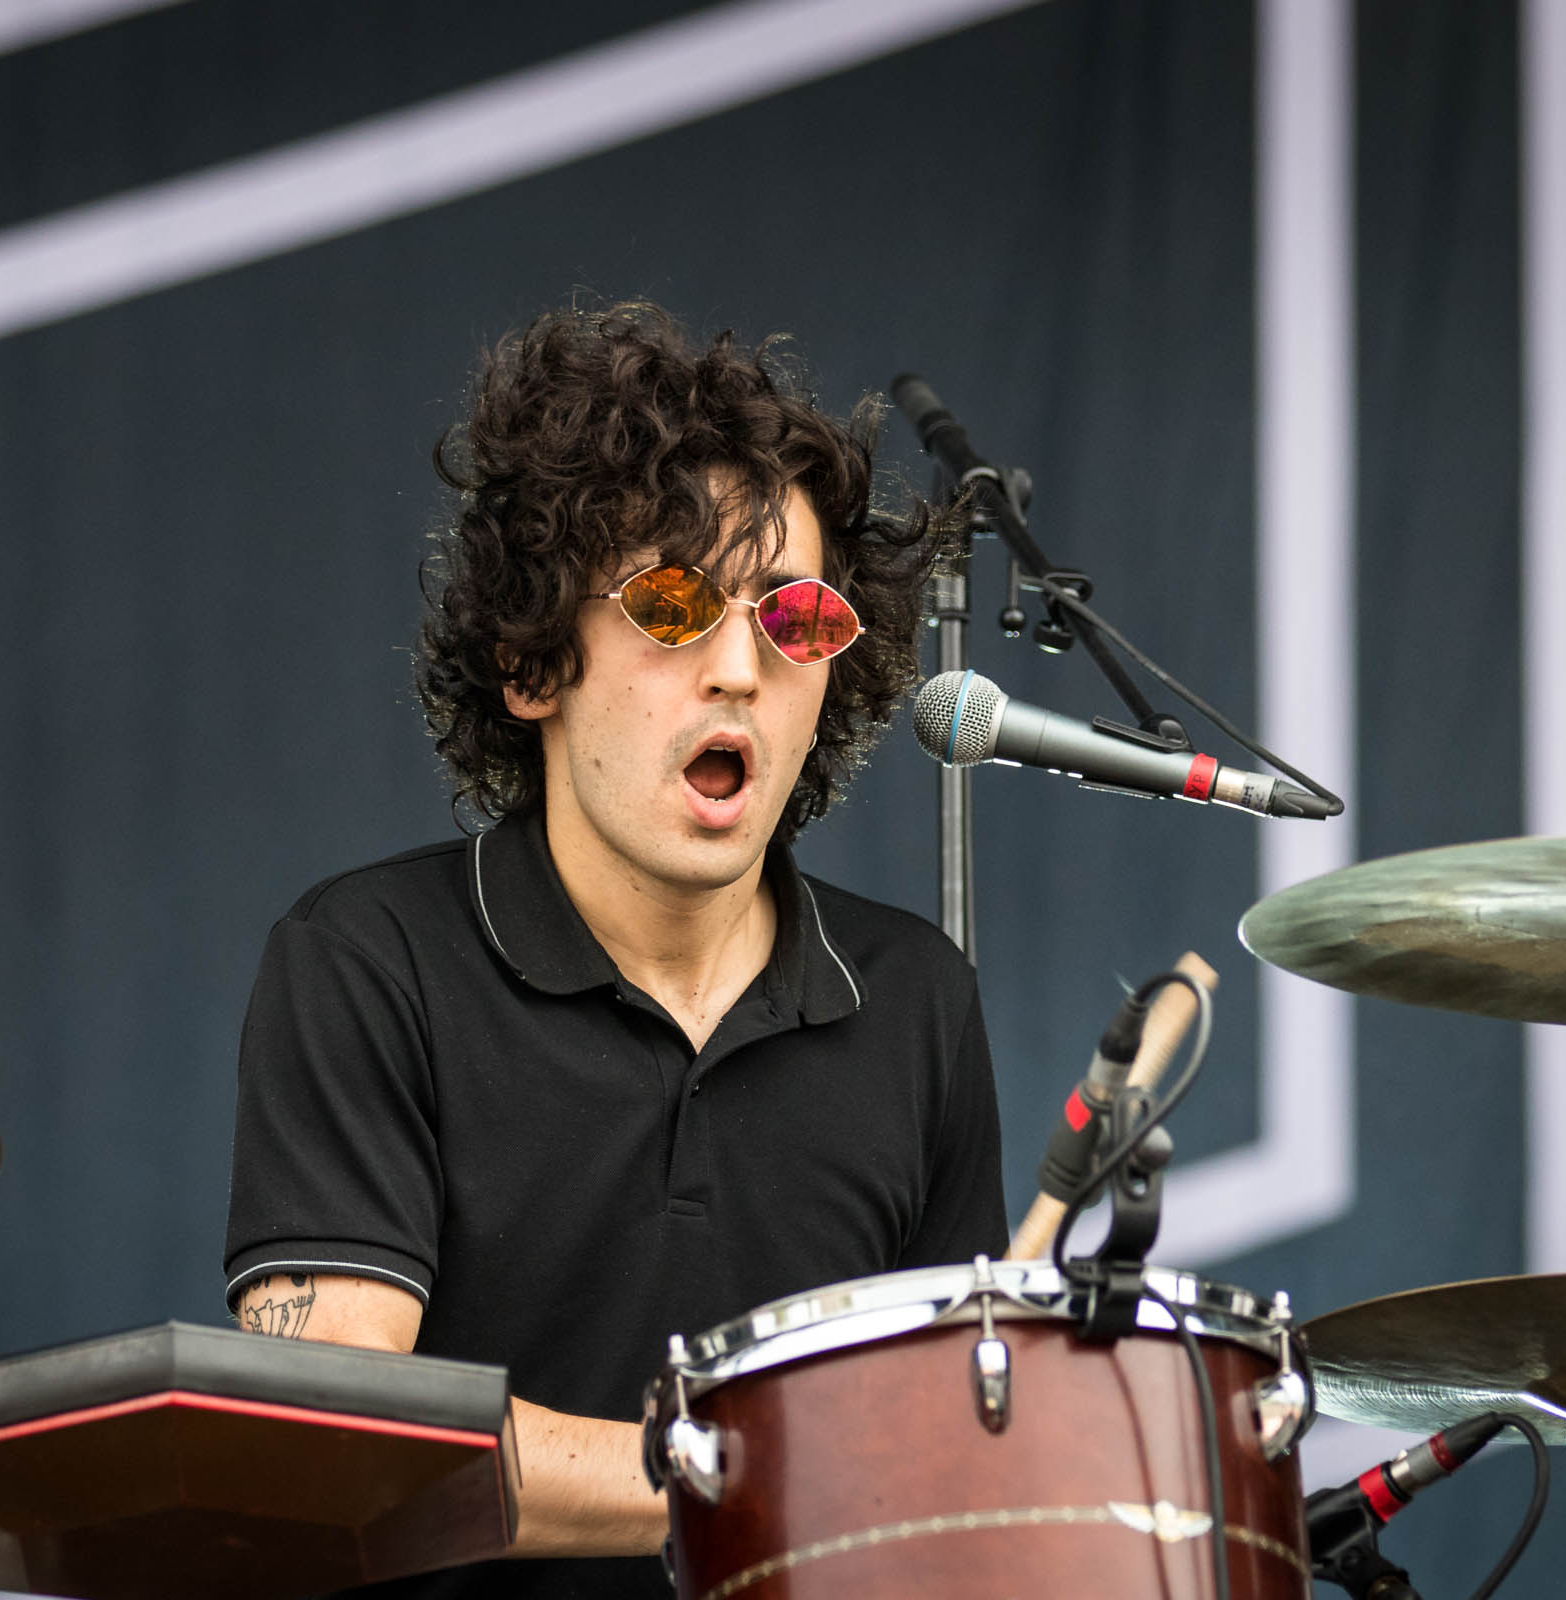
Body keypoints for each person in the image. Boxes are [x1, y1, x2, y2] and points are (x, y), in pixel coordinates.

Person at [222, 302, 1007, 1597]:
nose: (742, 670)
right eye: (675, 606)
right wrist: (762, 1476)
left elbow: (943, 1496)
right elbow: (342, 1446)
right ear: (533, 662)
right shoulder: (369, 963)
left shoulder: (916, 998)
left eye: (797, 617)